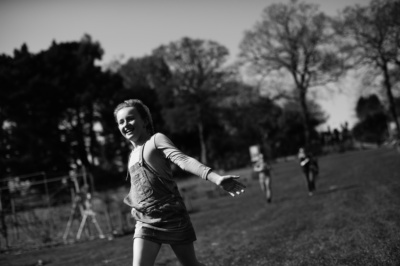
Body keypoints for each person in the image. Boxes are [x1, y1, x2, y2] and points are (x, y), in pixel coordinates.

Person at [114, 99, 246, 266]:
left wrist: (216, 178)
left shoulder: (156, 140)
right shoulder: (132, 156)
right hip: (145, 220)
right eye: (121, 121)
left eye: (130, 118)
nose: (125, 124)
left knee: (190, 264)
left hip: (172, 216)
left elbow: (184, 160)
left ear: (145, 120)